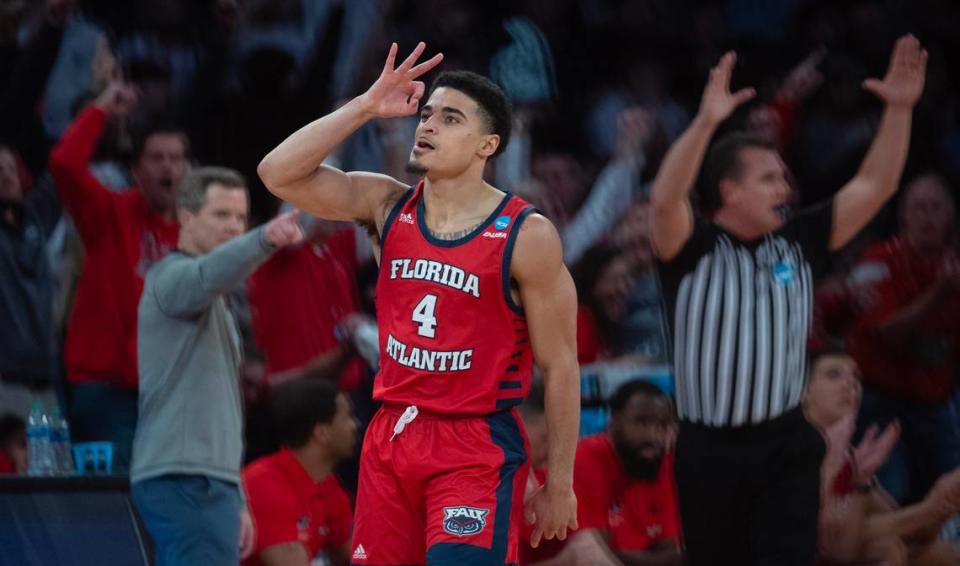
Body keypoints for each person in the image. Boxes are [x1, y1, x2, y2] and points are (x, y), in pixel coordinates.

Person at [258, 41, 580, 565]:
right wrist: (364, 105)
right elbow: (278, 173)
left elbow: (561, 364)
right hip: (391, 435)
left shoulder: (527, 234)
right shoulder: (387, 205)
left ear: (487, 145)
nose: (427, 125)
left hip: (474, 445)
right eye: (426, 114)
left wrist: (559, 483)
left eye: (450, 119)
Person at [650, 35, 927, 565]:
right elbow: (666, 197)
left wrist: (898, 109)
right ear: (730, 191)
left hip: (785, 445)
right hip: (707, 450)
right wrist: (707, 123)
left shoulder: (800, 239)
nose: (786, 189)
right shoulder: (690, 247)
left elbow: (878, 182)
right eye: (771, 179)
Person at [129, 166, 303, 566]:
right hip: (186, 478)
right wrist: (265, 238)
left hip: (206, 480)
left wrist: (236, 494)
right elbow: (207, 274)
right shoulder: (169, 278)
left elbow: (220, 406)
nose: (234, 226)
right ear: (186, 218)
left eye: (241, 218)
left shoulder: (216, 300)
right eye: (221, 215)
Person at [48, 78, 189, 471]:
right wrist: (103, 108)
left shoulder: (194, 233)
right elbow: (63, 164)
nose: (168, 168)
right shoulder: (108, 215)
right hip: (105, 391)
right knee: (110, 508)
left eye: (176, 159)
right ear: (136, 170)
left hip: (166, 395)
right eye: (157, 158)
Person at [844, 174, 960, 504]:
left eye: (936, 208)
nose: (928, 216)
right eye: (919, 208)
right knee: (892, 491)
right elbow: (885, 335)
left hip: (937, 399)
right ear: (904, 217)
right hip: (881, 398)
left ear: (950, 216)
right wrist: (940, 294)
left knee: (953, 487)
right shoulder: (875, 261)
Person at [804, 346, 960, 565]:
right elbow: (831, 545)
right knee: (887, 550)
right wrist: (930, 509)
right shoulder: (794, 451)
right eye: (834, 374)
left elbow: (912, 534)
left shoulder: (850, 456)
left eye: (856, 377)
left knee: (938, 554)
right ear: (803, 392)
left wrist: (944, 504)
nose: (850, 384)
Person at [242, 379, 357, 566]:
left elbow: (356, 556)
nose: (355, 425)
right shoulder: (264, 485)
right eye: (347, 418)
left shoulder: (327, 484)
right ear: (322, 433)